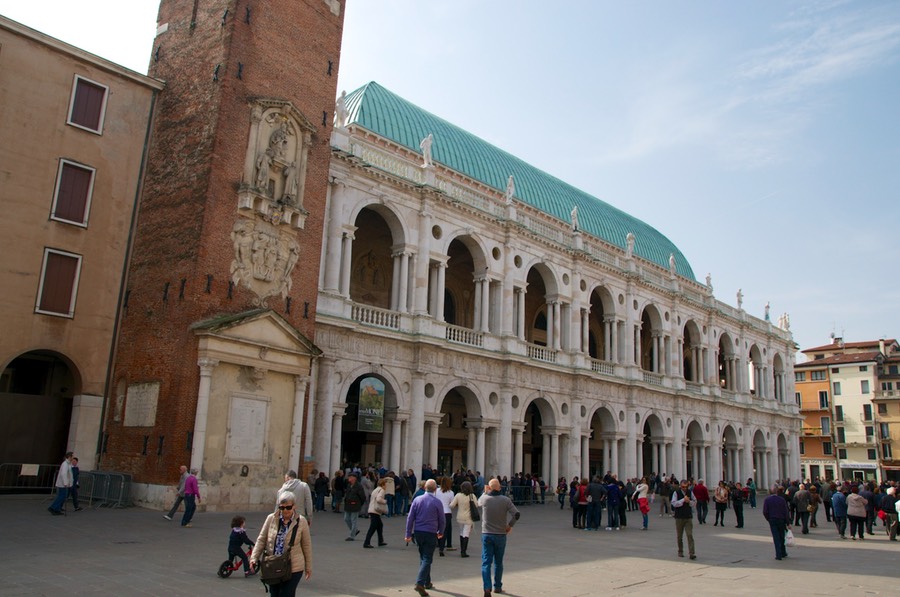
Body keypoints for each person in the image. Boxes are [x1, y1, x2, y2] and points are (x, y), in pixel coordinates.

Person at [250, 491, 312, 596]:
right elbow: (261, 539)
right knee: (274, 594)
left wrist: (308, 567)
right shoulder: (271, 518)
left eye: (288, 507)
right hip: (273, 565)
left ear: (294, 506)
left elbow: (306, 545)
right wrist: (254, 558)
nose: (285, 511)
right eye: (282, 508)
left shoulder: (302, 522)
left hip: (294, 567)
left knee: (286, 594)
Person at [478, 478, 520, 597]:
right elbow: (517, 514)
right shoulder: (506, 500)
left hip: (487, 533)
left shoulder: (485, 499)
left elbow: (478, 502)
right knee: (498, 562)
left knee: (486, 562)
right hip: (501, 534)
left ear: (490, 488)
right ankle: (497, 586)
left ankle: (487, 587)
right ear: (500, 488)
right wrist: (509, 526)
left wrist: (485, 492)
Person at [405, 479, 445, 597]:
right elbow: (442, 519)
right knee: (427, 558)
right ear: (435, 489)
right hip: (431, 532)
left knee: (423, 557)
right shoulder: (437, 502)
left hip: (418, 532)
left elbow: (410, 518)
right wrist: (441, 532)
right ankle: (420, 583)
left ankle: (427, 582)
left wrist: (408, 534)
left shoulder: (417, 500)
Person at [449, 481, 477, 557]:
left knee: (461, 532)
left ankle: (462, 550)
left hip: (460, 516)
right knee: (466, 533)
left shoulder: (458, 495)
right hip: (468, 517)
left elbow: (451, 505)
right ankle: (463, 551)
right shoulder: (472, 496)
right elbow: (476, 505)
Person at [762, 486, 790, 560]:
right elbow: (785, 511)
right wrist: (788, 522)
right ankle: (783, 552)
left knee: (776, 537)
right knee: (782, 536)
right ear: (777, 492)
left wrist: (769, 519)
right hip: (781, 520)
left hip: (772, 520)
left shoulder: (767, 500)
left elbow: (765, 512)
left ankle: (778, 554)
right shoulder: (781, 499)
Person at [671, 479, 696, 560]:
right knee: (679, 536)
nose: (684, 488)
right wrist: (683, 500)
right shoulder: (676, 493)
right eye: (683, 487)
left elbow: (694, 502)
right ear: (680, 486)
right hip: (679, 517)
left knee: (689, 535)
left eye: (686, 487)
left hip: (688, 516)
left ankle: (691, 553)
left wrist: (689, 501)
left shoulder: (690, 492)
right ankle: (680, 551)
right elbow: (674, 503)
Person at [363, 477, 388, 548]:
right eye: (385, 484)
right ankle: (366, 542)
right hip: (375, 510)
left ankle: (380, 540)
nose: (386, 486)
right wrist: (385, 501)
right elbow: (379, 499)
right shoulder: (382, 490)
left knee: (380, 525)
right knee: (373, 527)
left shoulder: (375, 489)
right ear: (383, 484)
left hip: (372, 509)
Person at [48, 451, 74, 515]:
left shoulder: (68, 464)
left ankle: (57, 508)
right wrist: (65, 483)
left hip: (65, 483)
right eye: (72, 456)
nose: (72, 458)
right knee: (62, 496)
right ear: (69, 457)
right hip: (63, 483)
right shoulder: (65, 464)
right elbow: (64, 474)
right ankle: (53, 507)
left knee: (62, 496)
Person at [435, 476, 455, 555]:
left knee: (438, 529)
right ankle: (441, 548)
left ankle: (438, 543)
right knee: (445, 530)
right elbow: (452, 504)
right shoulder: (450, 492)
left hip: (437, 512)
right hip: (447, 512)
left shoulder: (436, 491)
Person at [342, 472, 365, 540]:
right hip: (348, 504)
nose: (349, 478)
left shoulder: (359, 486)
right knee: (346, 518)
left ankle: (352, 536)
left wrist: (359, 504)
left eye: (350, 477)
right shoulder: (349, 485)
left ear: (354, 478)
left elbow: (362, 497)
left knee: (354, 520)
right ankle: (355, 530)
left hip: (355, 504)